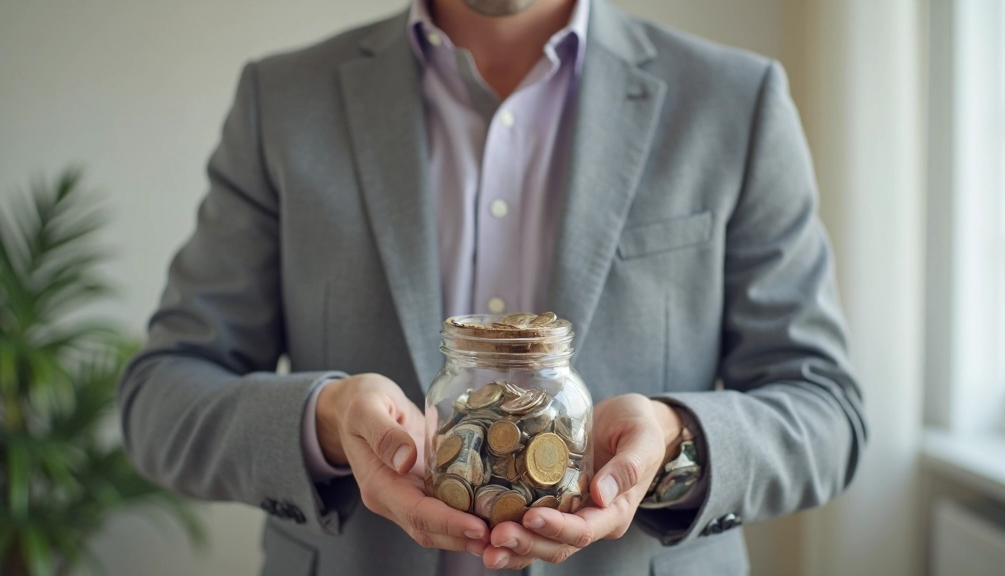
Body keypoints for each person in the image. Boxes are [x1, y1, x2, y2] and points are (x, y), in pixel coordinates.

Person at [117, 0, 867, 574]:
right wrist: (324, 421)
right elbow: (160, 398)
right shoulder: (280, 101)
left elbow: (827, 413)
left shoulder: (736, 102)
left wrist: (673, 441)